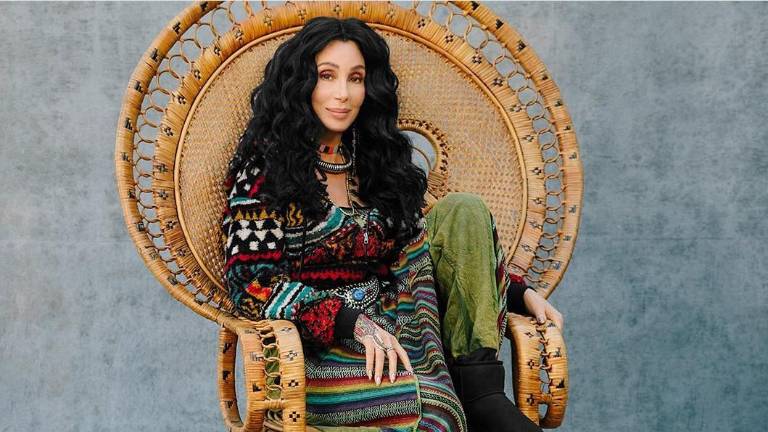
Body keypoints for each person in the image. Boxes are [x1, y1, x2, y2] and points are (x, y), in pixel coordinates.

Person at [220, 16, 564, 432]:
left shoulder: (374, 163)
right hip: (316, 351)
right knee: (431, 410)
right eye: (327, 76)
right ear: (300, 83)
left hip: (400, 327)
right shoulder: (266, 171)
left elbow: (425, 251)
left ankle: (480, 390)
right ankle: (459, 398)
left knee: (463, 210)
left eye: (356, 78)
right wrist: (351, 323)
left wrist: (518, 292)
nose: (343, 93)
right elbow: (252, 286)